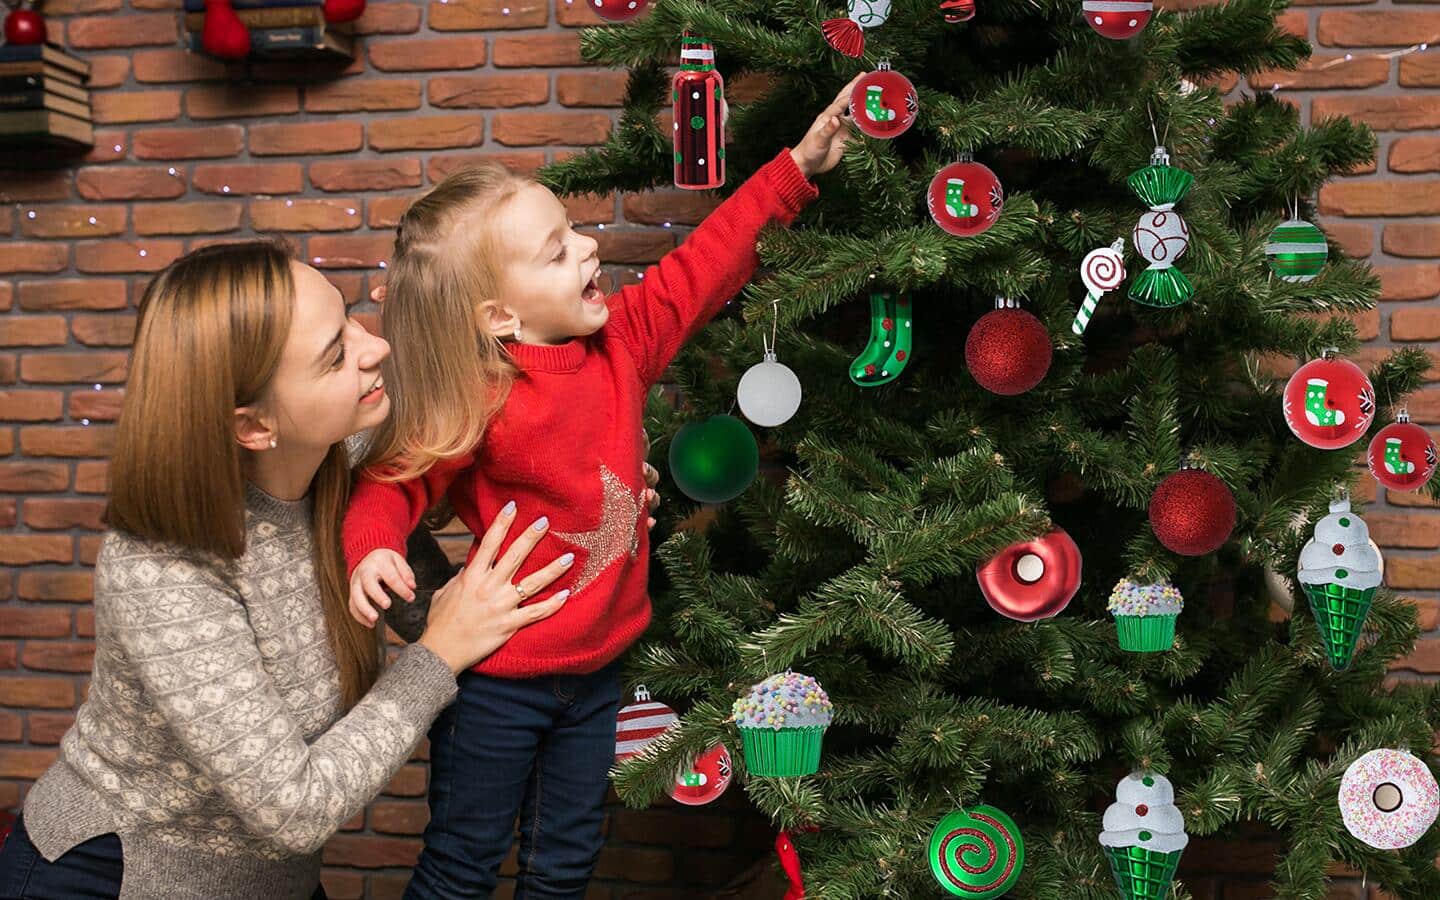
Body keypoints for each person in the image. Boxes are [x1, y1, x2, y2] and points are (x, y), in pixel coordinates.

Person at [0, 241, 657, 900]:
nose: (375, 349)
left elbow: (505, 469)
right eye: (336, 355)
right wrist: (436, 655)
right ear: (253, 425)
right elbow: (295, 807)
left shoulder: (347, 466)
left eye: (350, 320)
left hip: (278, 884)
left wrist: (607, 507)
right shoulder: (159, 569)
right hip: (112, 879)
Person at [340, 78, 860, 898]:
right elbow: (391, 480)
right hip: (495, 681)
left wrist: (798, 165)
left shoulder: (624, 342)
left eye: (573, 231)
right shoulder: (481, 391)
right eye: (556, 251)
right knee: (462, 863)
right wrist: (370, 547)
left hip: (594, 677)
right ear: (498, 318)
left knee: (566, 862)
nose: (586, 249)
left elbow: (705, 265)